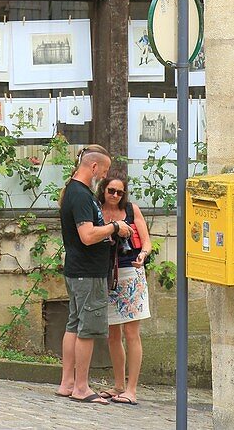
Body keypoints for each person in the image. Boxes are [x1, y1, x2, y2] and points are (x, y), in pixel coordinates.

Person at [57, 144, 131, 405]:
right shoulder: (80, 194)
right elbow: (87, 236)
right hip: (87, 272)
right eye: (106, 169)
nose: (105, 175)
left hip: (79, 270)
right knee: (86, 329)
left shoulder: (76, 192)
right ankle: (81, 387)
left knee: (74, 325)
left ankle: (67, 383)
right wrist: (114, 228)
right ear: (94, 166)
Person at [97, 171, 152, 406]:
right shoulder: (97, 209)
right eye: (112, 191)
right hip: (108, 274)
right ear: (104, 190)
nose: (116, 195)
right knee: (112, 334)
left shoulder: (131, 209)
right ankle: (118, 385)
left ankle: (132, 389)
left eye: (120, 192)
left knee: (132, 333)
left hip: (131, 273)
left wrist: (143, 254)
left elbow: (146, 240)